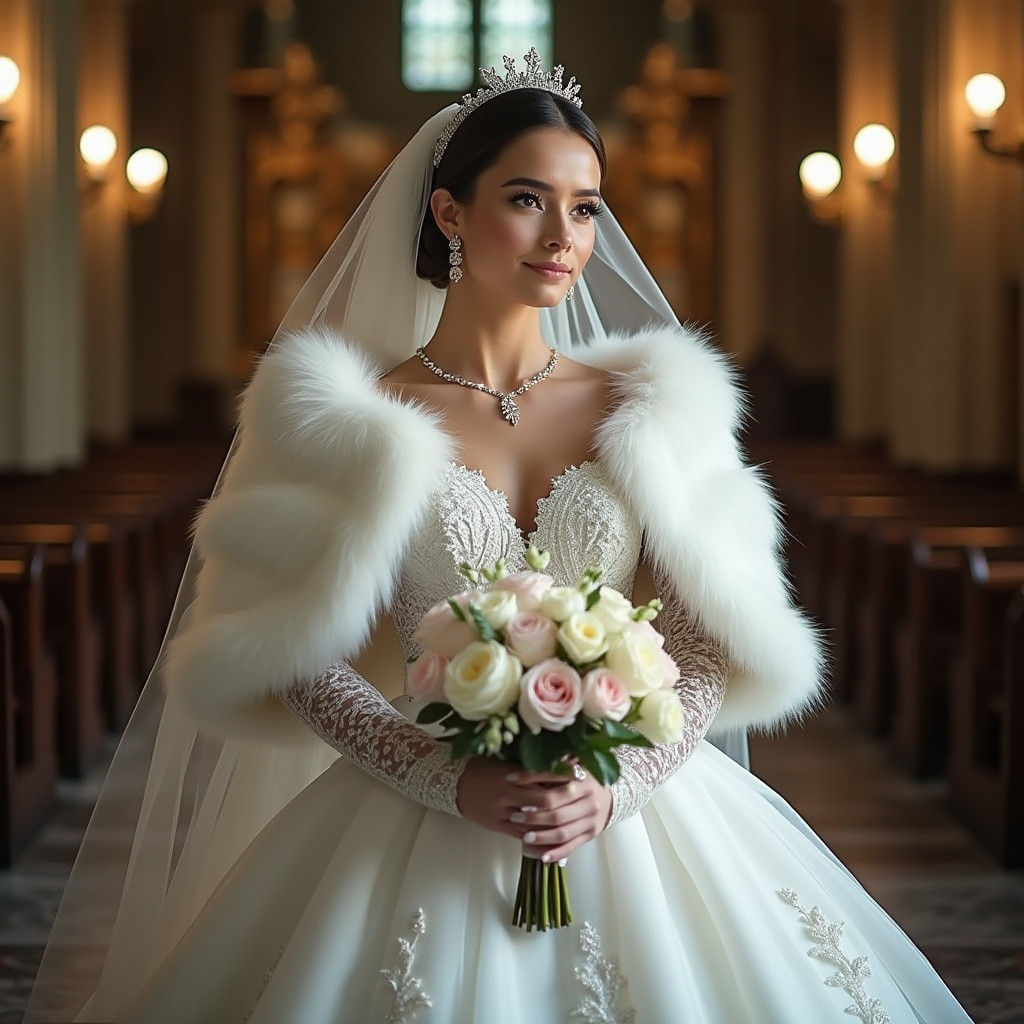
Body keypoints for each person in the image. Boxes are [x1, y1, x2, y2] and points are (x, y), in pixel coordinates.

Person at [23, 50, 974, 1024]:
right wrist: (450, 781)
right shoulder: (349, 418)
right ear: (447, 213)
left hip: (630, 816)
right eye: (528, 199)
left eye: (587, 206)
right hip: (417, 811)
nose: (564, 235)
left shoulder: (654, 410)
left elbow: (698, 642)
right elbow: (300, 654)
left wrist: (616, 786)